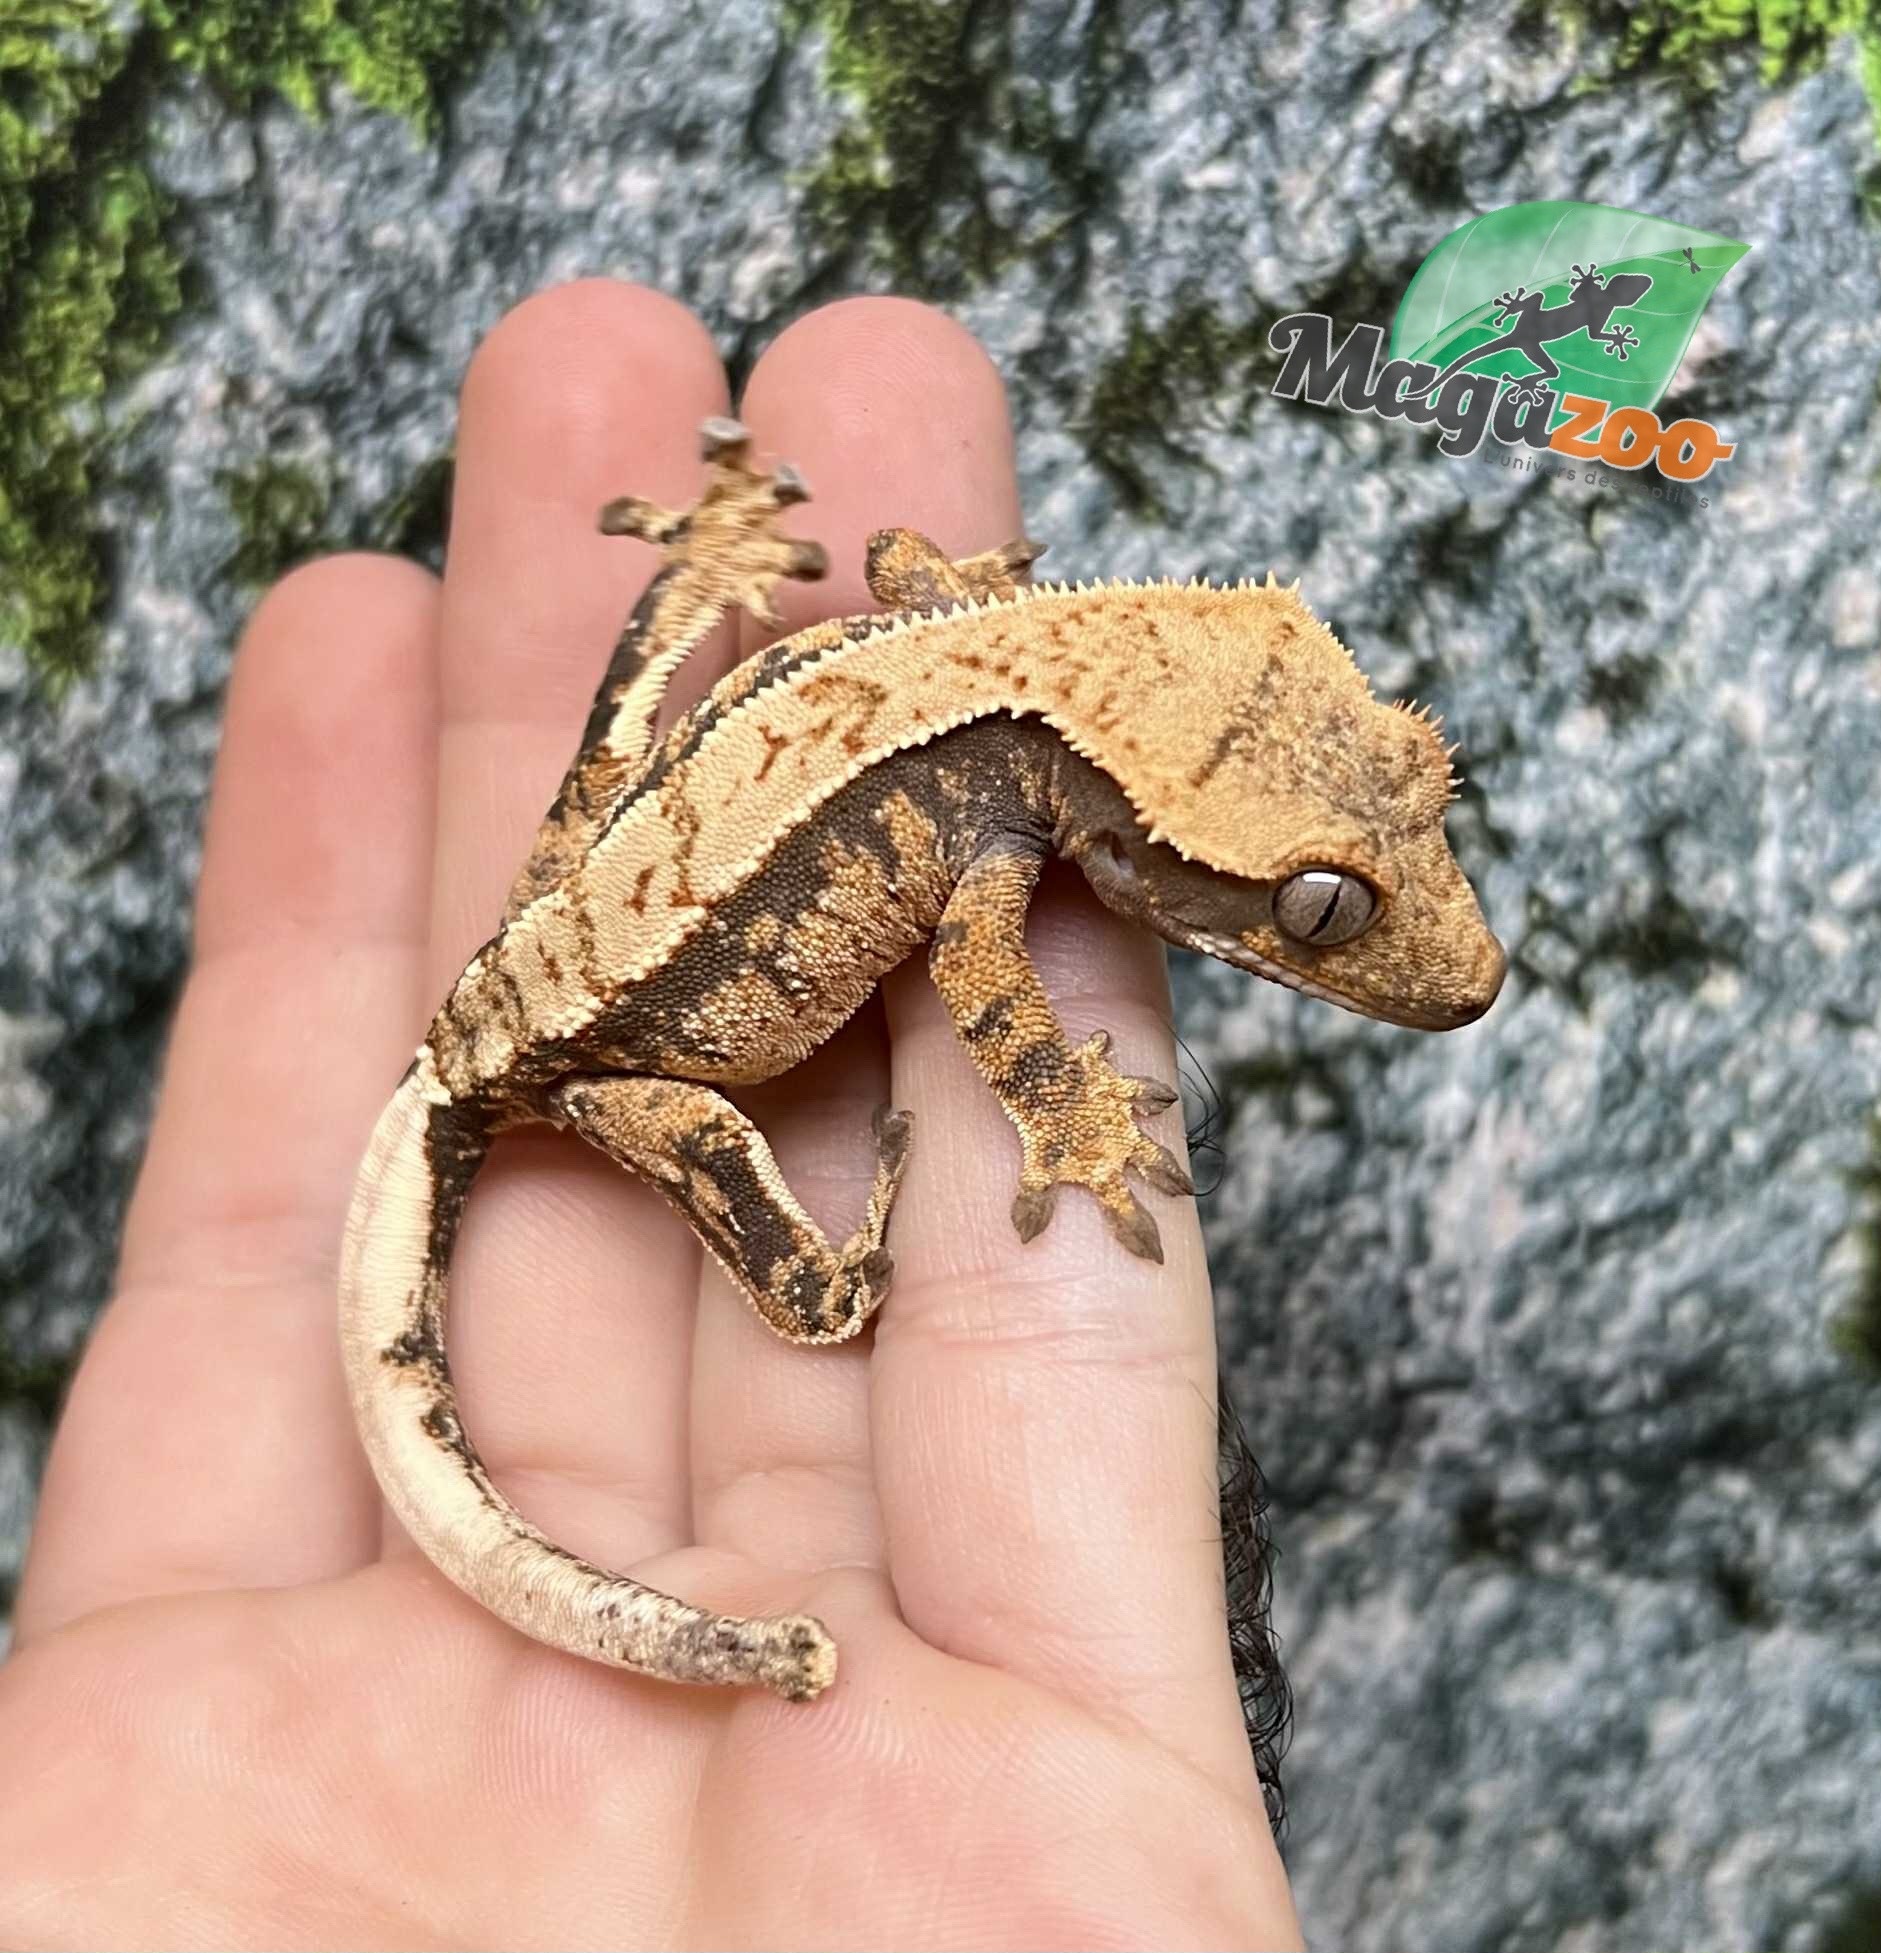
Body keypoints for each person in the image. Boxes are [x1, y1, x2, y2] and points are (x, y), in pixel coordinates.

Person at [0, 287, 1303, 1949]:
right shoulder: (999, 810)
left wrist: (786, 582)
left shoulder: (969, 657)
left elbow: (902, 558)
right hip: (603, 1028)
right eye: (1308, 913)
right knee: (708, 1142)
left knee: (612, 774)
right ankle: (812, 1292)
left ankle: (693, 582)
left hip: (579, 902)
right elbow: (982, 967)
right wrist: (1063, 1106)